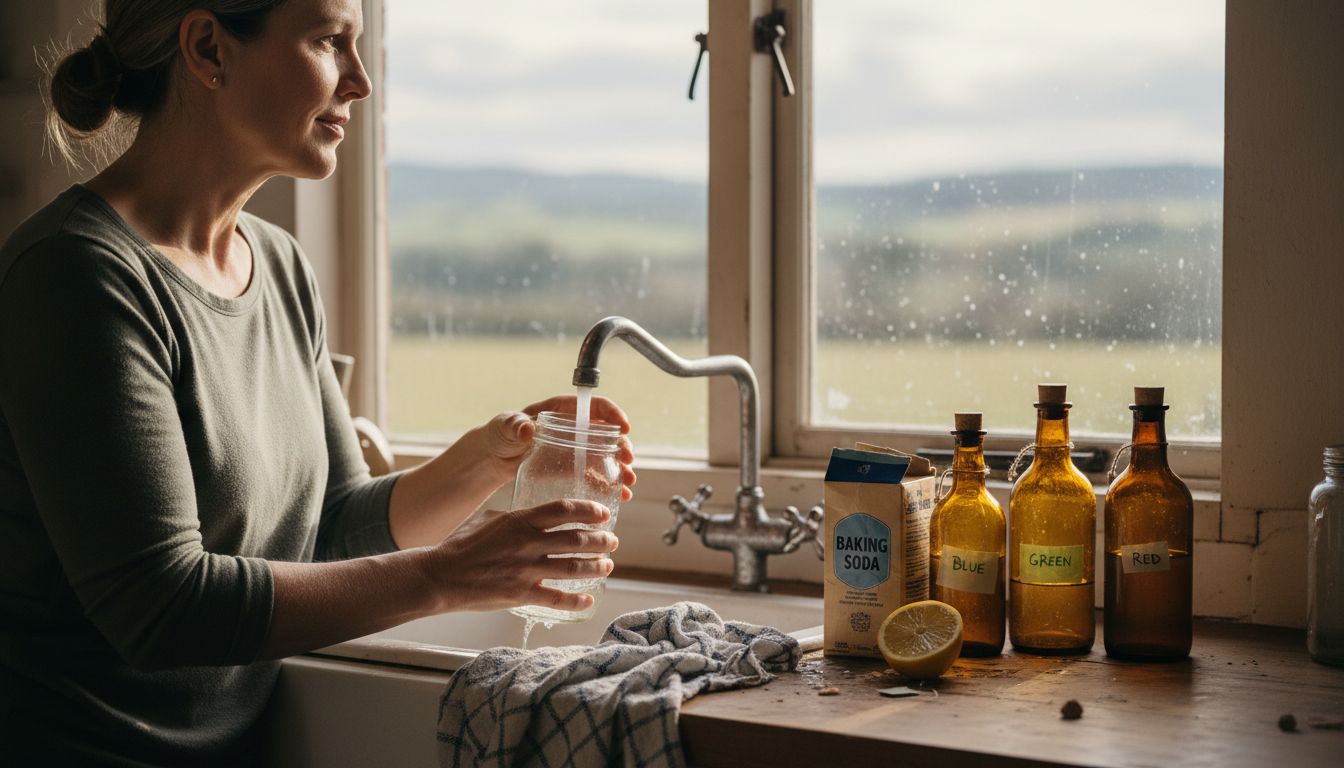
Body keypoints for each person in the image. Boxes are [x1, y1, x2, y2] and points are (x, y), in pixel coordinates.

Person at [0, 0, 636, 763]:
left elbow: (328, 527)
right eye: (329, 41)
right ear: (209, 49)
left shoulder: (279, 265)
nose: (361, 81)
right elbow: (161, 608)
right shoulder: (77, 277)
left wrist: (486, 462)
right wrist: (451, 576)